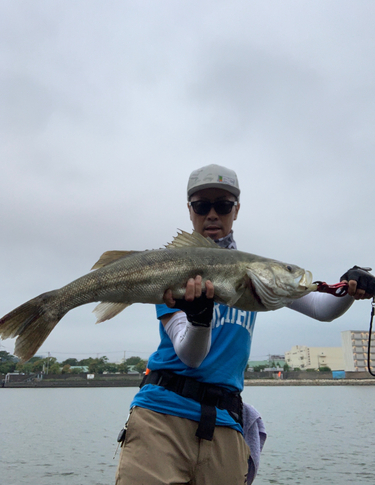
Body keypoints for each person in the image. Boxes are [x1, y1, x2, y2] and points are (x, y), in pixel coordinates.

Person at [115, 164, 375, 485]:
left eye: (223, 205)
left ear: (236, 210)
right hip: (161, 417)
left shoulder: (258, 277)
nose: (212, 214)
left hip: (224, 424)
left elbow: (323, 309)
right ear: (190, 211)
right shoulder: (173, 271)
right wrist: (199, 317)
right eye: (201, 206)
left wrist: (349, 287)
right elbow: (191, 356)